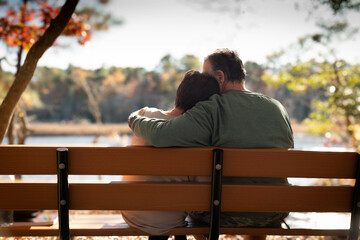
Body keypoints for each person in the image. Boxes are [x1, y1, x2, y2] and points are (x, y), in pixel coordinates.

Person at [128, 49, 294, 240]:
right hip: (272, 211)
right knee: (258, 198)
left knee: (199, 196)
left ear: (220, 77)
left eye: (206, 75)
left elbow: (160, 135)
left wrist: (135, 118)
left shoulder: (212, 108)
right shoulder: (277, 108)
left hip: (221, 213)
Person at [121, 70, 220, 240]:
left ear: (179, 93)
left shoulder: (145, 116)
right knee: (174, 212)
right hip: (172, 217)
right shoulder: (196, 135)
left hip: (133, 211)